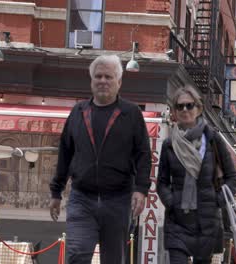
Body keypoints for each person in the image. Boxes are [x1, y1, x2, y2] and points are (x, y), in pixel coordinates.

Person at [49, 54, 151, 264]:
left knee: (113, 260)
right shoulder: (78, 112)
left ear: (119, 82)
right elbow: (65, 153)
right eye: (98, 76)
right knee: (77, 254)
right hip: (82, 198)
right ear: (91, 81)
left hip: (119, 200)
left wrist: (141, 189)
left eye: (108, 77)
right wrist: (56, 191)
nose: (103, 81)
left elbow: (143, 154)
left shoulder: (131, 113)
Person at [156, 86, 236, 264]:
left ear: (198, 108)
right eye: (180, 106)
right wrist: (172, 201)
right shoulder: (169, 145)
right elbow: (162, 182)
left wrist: (216, 200)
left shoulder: (213, 140)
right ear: (175, 112)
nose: (184, 110)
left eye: (189, 105)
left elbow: (232, 178)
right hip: (177, 221)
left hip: (206, 222)